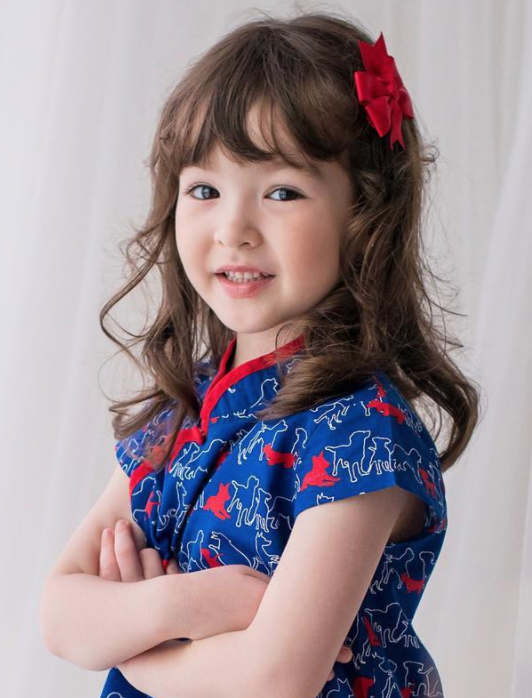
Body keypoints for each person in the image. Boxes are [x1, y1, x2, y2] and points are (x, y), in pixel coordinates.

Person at [38, 8, 481, 698]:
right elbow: (61, 614)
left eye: (281, 191)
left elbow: (274, 682)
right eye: (205, 190)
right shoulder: (189, 403)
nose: (233, 229)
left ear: (364, 215)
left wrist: (130, 646)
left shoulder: (361, 434)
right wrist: (188, 607)